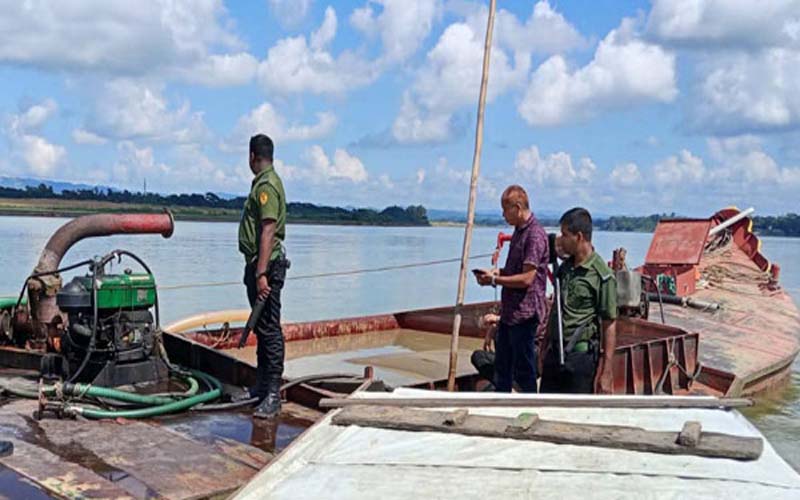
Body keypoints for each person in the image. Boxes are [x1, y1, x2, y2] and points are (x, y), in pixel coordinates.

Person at [474, 185, 548, 392]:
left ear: (517, 208)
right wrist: (497, 272)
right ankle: (503, 402)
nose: (503, 215)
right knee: (502, 368)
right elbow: (515, 270)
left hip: (525, 315)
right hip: (509, 314)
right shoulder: (518, 232)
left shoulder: (534, 235)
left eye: (505, 210)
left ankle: (529, 405)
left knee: (524, 370)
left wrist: (494, 280)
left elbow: (527, 278)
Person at [239, 134, 290, 418]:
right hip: (260, 264)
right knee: (261, 328)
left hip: (267, 267)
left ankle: (273, 394)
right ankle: (260, 387)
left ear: (252, 157)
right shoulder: (262, 183)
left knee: (270, 330)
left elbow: (268, 229)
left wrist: (261, 274)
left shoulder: (267, 185)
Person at [540, 207, 618, 394]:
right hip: (554, 353)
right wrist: (544, 346)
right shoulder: (566, 268)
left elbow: (609, 323)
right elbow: (557, 308)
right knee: (546, 407)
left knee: (575, 410)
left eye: (565, 235)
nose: (561, 239)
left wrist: (606, 371)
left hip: (581, 357)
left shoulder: (601, 276)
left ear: (579, 237)